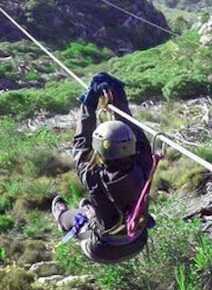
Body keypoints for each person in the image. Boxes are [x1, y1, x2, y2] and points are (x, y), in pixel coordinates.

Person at [52, 72, 154, 264]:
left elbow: (81, 142)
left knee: (77, 217)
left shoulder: (92, 176)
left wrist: (89, 104)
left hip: (102, 249)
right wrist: (120, 99)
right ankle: (92, 210)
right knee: (100, 210)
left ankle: (62, 217)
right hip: (137, 241)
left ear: (98, 150)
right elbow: (136, 132)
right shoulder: (145, 166)